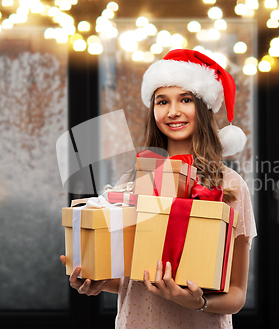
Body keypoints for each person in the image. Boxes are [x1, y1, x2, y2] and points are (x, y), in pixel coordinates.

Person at [60, 49, 257, 328]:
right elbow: (133, 279)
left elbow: (237, 294)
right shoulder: (131, 182)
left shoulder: (230, 185)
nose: (173, 111)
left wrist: (199, 302)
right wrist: (98, 281)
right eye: (162, 101)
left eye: (185, 99)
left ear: (203, 107)